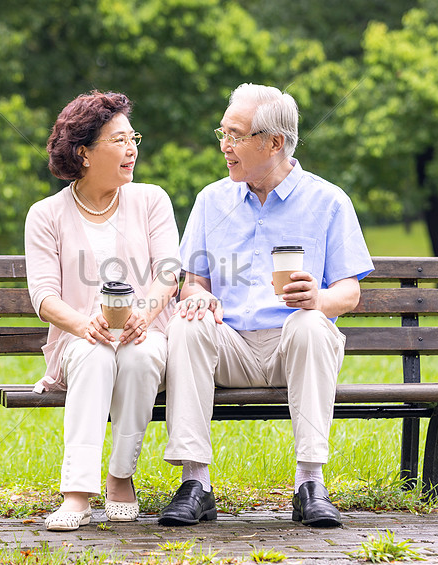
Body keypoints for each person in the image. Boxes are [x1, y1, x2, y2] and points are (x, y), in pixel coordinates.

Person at [158, 83, 373, 528]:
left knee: (312, 324)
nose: (224, 146)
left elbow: (349, 293)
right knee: (185, 324)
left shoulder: (328, 201)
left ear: (274, 142)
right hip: (230, 345)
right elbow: (191, 283)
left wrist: (318, 298)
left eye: (235, 135)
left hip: (293, 346)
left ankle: (310, 484)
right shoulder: (210, 200)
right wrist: (198, 297)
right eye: (223, 132)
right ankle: (195, 483)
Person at [24, 91, 180, 531]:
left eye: (134, 138)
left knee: (141, 355)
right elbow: (44, 296)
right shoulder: (46, 214)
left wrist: (144, 316)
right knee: (94, 354)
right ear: (84, 153)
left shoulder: (151, 200)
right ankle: (76, 493)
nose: (131, 149)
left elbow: (169, 272)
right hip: (78, 341)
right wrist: (82, 323)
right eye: (119, 140)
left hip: (144, 331)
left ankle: (119, 476)